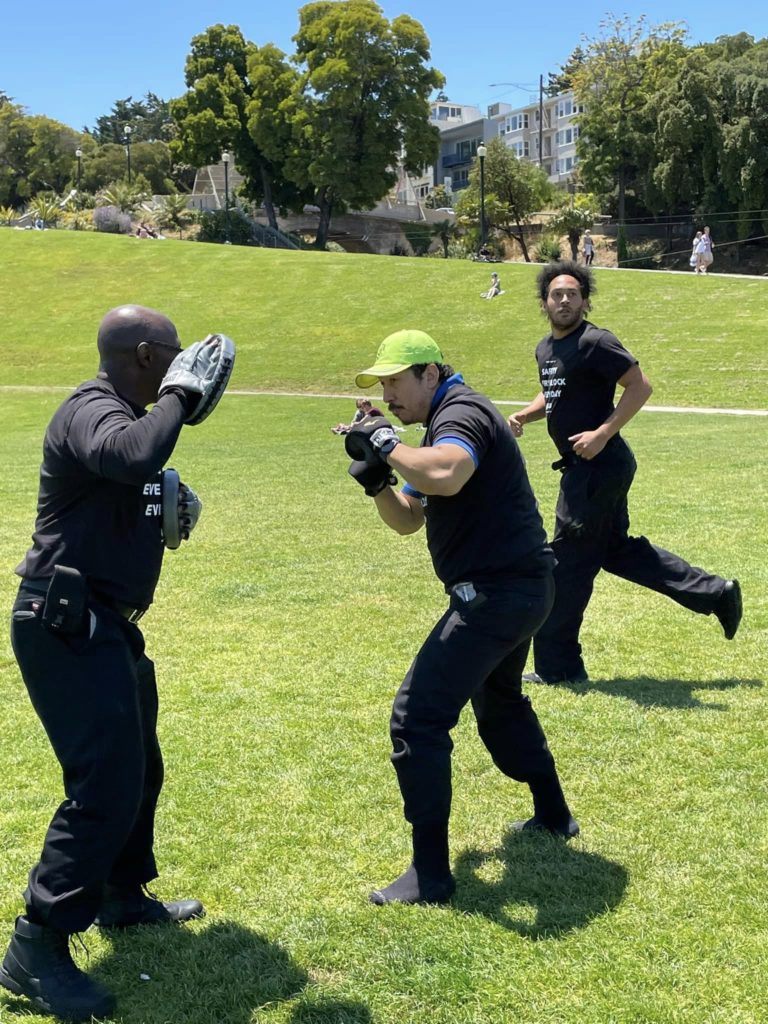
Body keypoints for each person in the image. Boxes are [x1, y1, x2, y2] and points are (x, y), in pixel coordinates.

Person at [0, 305, 211, 1021]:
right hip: (63, 625)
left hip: (106, 626)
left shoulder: (125, 414)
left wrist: (166, 506)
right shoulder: (90, 408)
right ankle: (36, 943)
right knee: (103, 782)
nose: (186, 367)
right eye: (176, 357)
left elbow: (140, 474)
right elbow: (129, 456)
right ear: (148, 354)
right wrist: (181, 396)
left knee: (139, 769)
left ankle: (123, 896)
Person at [345, 329, 578, 907]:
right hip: (518, 592)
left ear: (430, 373)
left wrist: (383, 439)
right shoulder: (435, 426)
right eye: (382, 386)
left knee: (416, 719)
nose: (390, 394)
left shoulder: (463, 413)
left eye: (396, 381)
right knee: (500, 702)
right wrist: (377, 476)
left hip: (499, 596)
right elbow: (409, 519)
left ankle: (431, 875)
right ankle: (553, 814)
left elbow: (446, 472)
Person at [508, 261, 742, 685]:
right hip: (588, 468)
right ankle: (715, 593)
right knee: (615, 551)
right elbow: (555, 393)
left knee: (567, 563)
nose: (564, 300)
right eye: (557, 294)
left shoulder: (596, 341)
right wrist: (525, 414)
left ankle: (559, 668)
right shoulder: (546, 349)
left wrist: (601, 432)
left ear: (584, 300)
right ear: (545, 302)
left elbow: (640, 385)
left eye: (572, 294)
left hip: (599, 466)